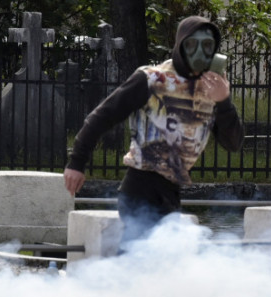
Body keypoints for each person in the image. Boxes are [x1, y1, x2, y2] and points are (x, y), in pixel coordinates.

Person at [63, 16, 244, 247]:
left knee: (157, 262)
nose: (200, 52)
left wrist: (224, 101)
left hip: (172, 189)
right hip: (141, 185)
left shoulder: (213, 88)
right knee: (139, 256)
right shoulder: (152, 79)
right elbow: (102, 117)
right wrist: (77, 163)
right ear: (180, 45)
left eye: (207, 46)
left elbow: (234, 143)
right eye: (192, 45)